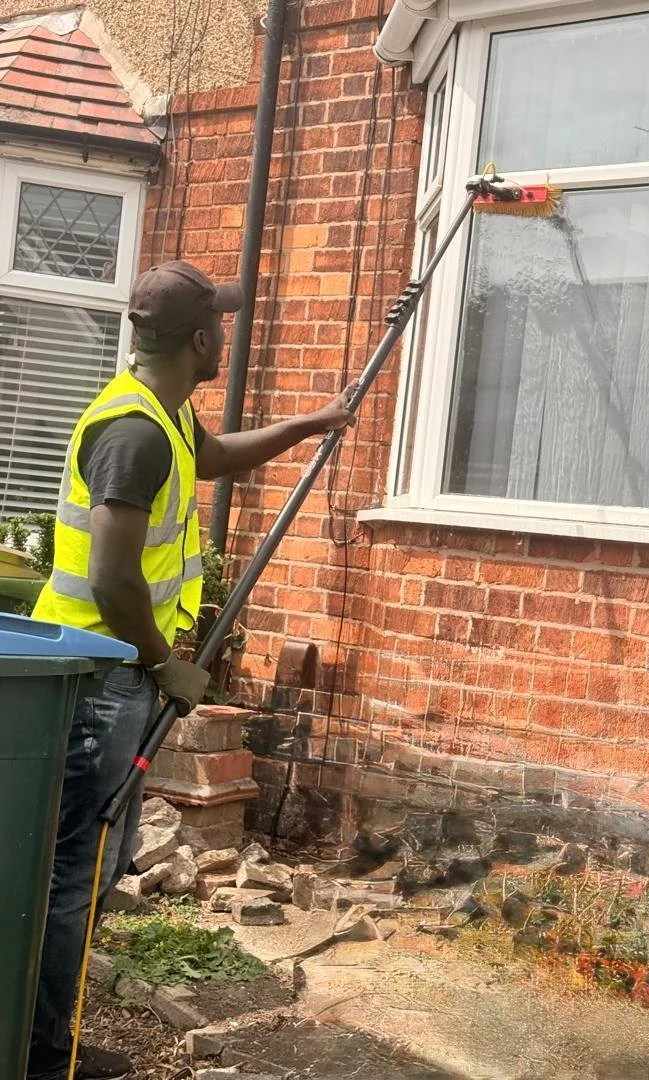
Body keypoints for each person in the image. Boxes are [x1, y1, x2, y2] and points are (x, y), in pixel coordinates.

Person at [28, 260, 357, 1080]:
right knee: (74, 871)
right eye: (224, 327)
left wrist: (308, 426)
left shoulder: (165, 420)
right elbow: (112, 576)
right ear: (204, 340)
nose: (228, 338)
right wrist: (160, 662)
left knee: (93, 867)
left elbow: (213, 459)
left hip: (116, 679)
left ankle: (43, 1038)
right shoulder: (134, 432)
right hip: (99, 682)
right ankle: (39, 1054)